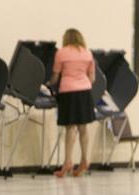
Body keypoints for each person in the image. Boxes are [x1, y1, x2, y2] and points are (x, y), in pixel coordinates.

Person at [50, 28, 96, 177]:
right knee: (83, 128)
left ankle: (68, 162)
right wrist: (82, 84)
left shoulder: (61, 53)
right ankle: (84, 160)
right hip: (85, 92)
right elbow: (93, 78)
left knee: (70, 127)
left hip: (68, 91)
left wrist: (48, 85)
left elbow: (55, 77)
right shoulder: (87, 53)